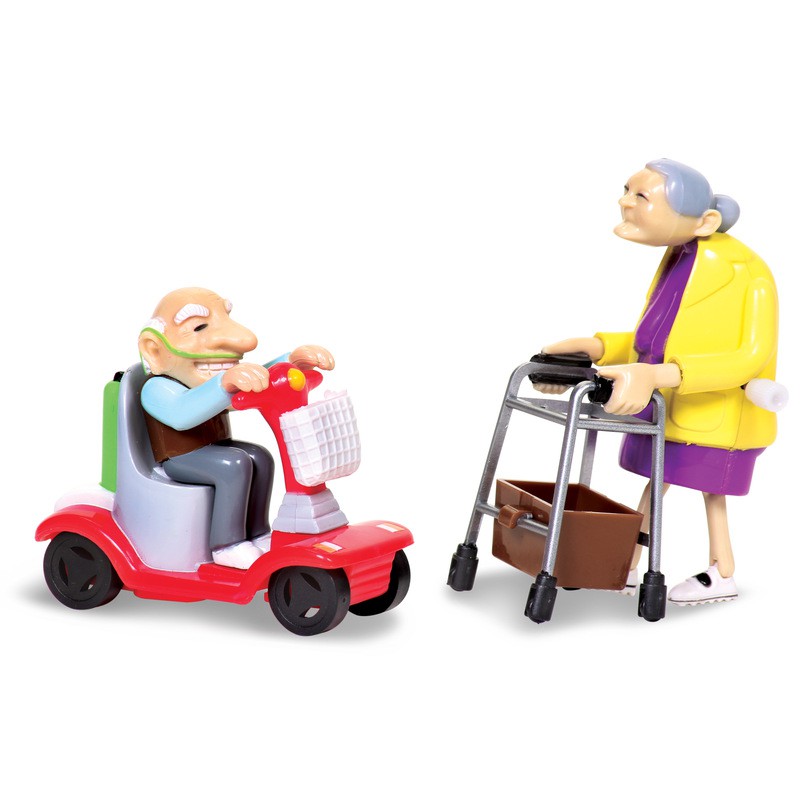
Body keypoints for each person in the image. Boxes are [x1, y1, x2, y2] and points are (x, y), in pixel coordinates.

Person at [541, 159, 779, 605]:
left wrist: (658, 374)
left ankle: (722, 571)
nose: (624, 202)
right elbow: (657, 338)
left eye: (641, 196)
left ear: (705, 221)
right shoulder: (682, 256)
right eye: (626, 190)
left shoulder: (749, 276)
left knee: (711, 490)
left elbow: (749, 359)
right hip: (667, 403)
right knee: (657, 480)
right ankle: (630, 565)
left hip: (718, 410)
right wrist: (597, 346)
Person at [137, 287, 334, 569]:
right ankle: (226, 545)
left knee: (259, 457)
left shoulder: (204, 384)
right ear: (154, 349)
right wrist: (223, 384)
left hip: (211, 450)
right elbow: (183, 415)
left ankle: (258, 533)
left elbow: (250, 386)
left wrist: (289, 363)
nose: (243, 340)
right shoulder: (156, 389)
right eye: (199, 326)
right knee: (234, 465)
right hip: (177, 459)